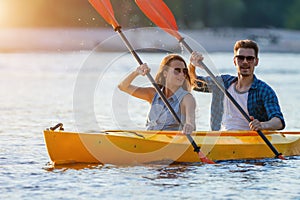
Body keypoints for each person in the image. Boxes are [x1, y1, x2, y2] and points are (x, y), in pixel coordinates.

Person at [189, 39, 285, 131]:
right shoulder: (222, 83)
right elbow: (194, 84)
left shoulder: (265, 90)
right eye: (240, 58)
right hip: (220, 139)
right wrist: (192, 65)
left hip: (251, 141)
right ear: (235, 61)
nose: (245, 62)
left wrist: (262, 125)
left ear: (256, 62)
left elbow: (278, 121)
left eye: (250, 58)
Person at [118, 54, 196, 135]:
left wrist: (189, 125)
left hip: (172, 143)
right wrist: (136, 72)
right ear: (165, 73)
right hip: (149, 140)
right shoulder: (153, 94)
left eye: (185, 71)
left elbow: (191, 122)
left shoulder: (187, 98)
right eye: (177, 70)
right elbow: (123, 87)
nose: (182, 74)